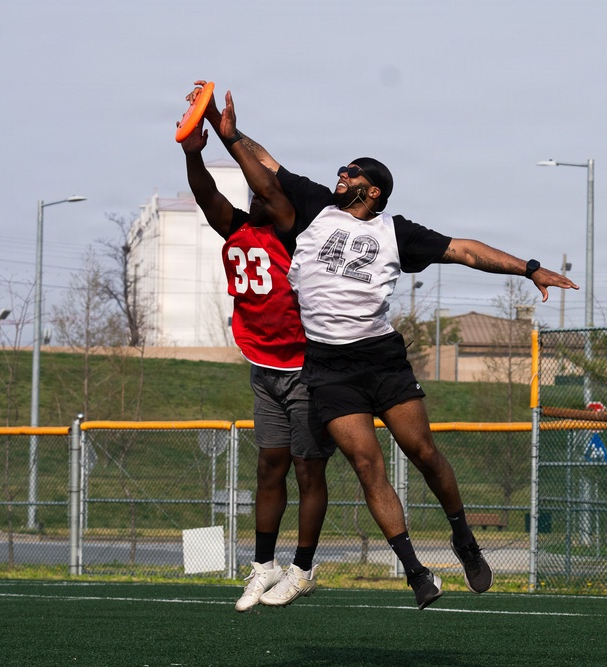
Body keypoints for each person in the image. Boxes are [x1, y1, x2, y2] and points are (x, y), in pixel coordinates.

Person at [210, 88, 579, 609]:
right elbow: (267, 168)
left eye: (352, 172)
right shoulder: (315, 208)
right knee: (366, 463)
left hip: (380, 358)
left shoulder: (395, 233)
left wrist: (529, 267)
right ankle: (415, 571)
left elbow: (466, 250)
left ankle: (464, 539)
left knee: (423, 453)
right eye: (341, 168)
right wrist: (229, 135)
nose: (342, 174)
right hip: (329, 366)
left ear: (374, 191)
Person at [179, 87, 336, 612]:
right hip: (263, 366)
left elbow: (268, 179)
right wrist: (193, 152)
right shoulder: (238, 227)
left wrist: (233, 140)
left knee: (307, 467)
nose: (256, 195)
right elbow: (205, 196)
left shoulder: (296, 233)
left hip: (306, 368)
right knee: (270, 466)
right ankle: (262, 567)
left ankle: (303, 569)